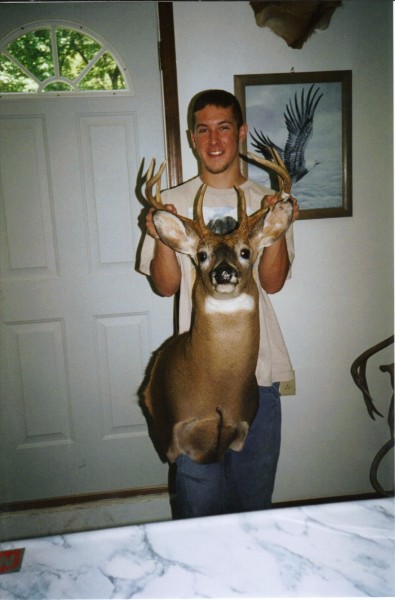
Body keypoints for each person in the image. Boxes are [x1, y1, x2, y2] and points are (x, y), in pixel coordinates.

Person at [138, 89, 299, 519]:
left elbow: (274, 281)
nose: (214, 140)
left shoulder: (267, 202)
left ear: (240, 132)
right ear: (192, 138)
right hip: (195, 385)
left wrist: (277, 227)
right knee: (201, 516)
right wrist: (161, 236)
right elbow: (166, 287)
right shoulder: (172, 203)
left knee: (255, 512)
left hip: (257, 375)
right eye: (203, 130)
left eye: (224, 128)